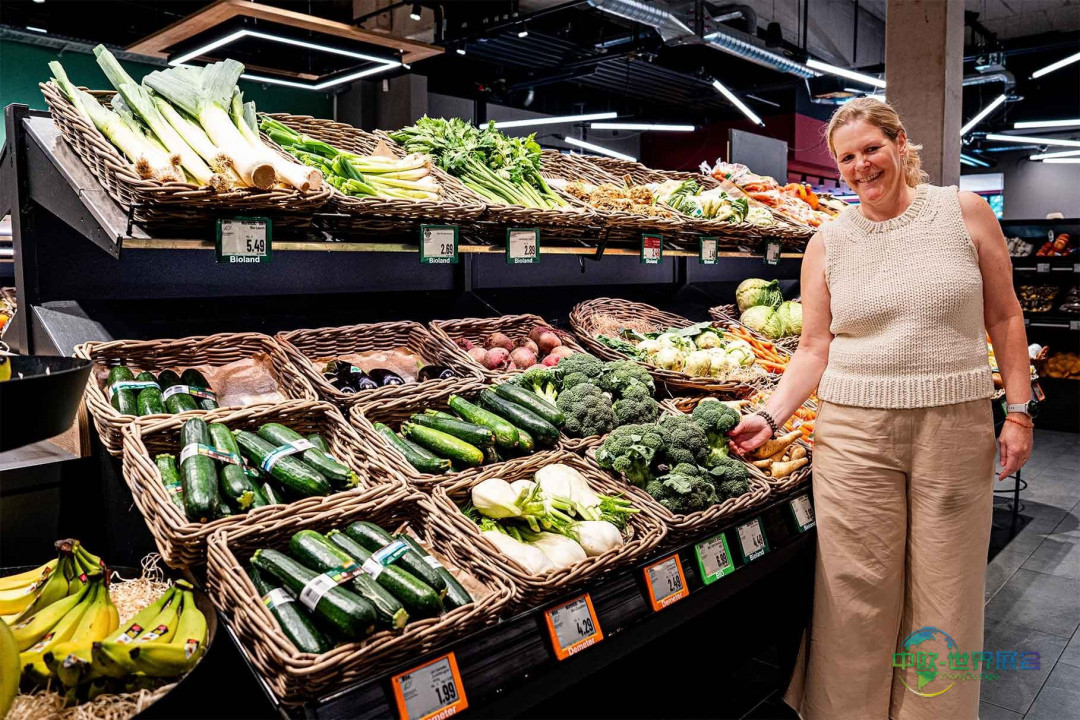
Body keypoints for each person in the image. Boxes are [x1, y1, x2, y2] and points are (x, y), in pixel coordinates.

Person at [728, 98, 1034, 720]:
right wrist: (773, 414)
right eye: (846, 158)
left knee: (947, 587)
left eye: (871, 149)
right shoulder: (828, 241)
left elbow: (1004, 317)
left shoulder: (964, 212)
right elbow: (815, 347)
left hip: (954, 425)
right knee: (854, 591)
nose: (861, 166)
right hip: (853, 435)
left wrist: (1020, 411)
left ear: (899, 143)